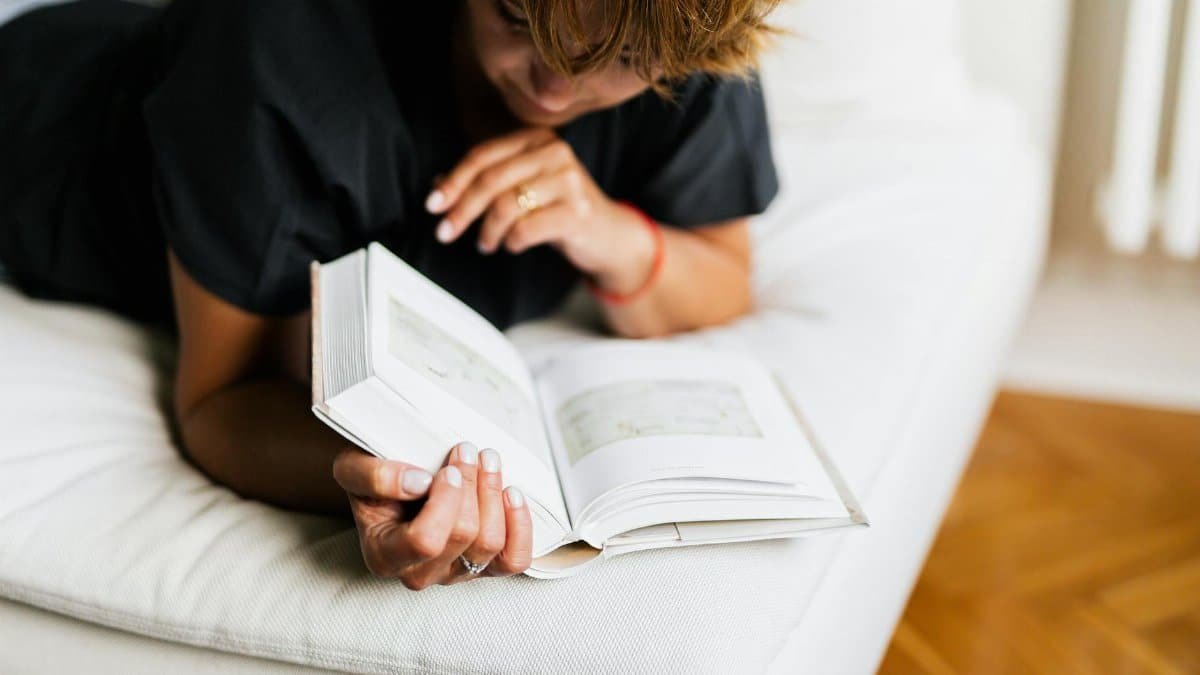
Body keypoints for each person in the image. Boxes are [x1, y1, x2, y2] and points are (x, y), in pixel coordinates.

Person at [0, 0, 781, 588]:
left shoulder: (680, 27)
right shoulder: (278, 50)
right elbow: (219, 402)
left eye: (625, 59)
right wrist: (390, 478)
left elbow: (720, 275)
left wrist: (607, 231)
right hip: (41, 148)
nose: (554, 88)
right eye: (516, 17)